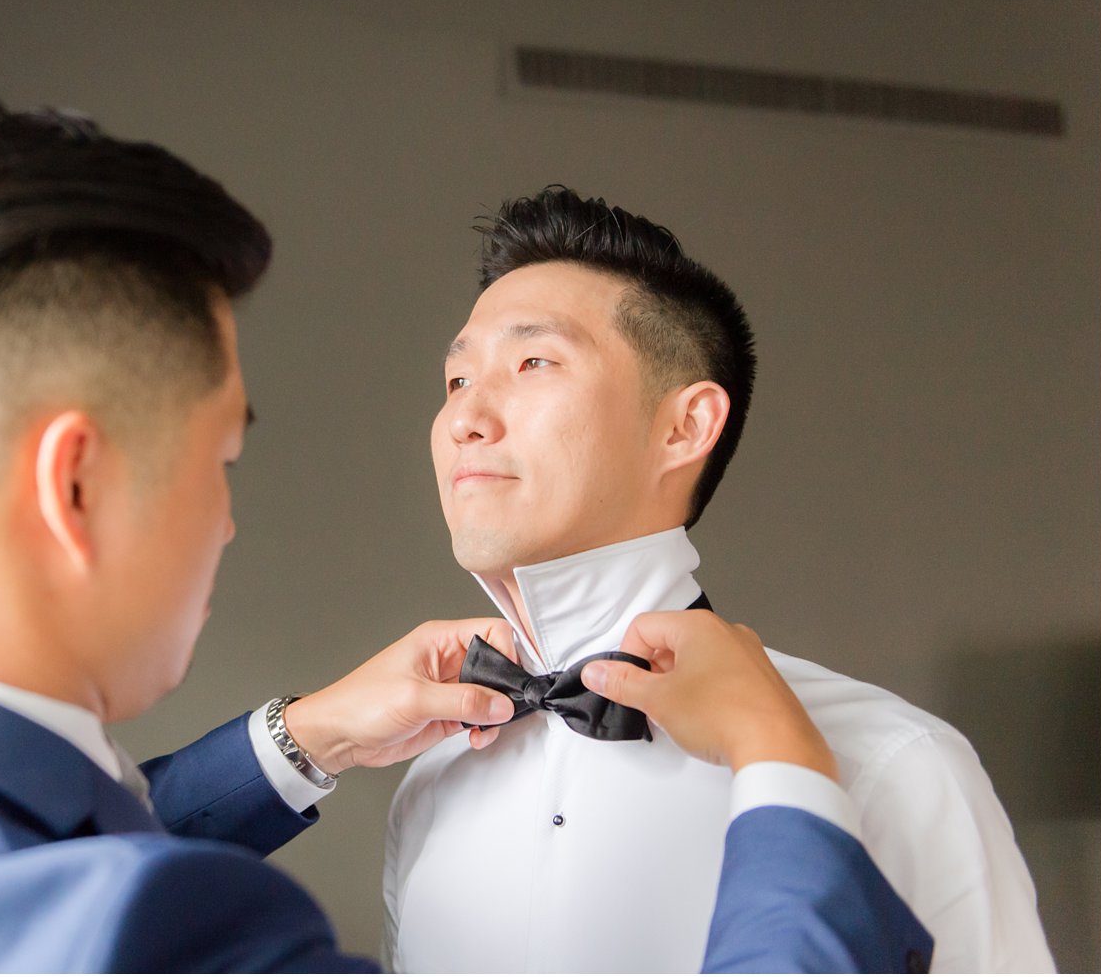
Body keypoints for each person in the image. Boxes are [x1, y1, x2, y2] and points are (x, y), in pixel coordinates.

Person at [0, 92, 927, 973]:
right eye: (222, 460)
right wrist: (783, 772)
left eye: (526, 367)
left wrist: (302, 737)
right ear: (73, 487)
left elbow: (27, 861)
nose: (228, 522)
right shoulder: (174, 934)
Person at [382, 188, 1056, 974]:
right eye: (457, 381)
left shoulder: (896, 764)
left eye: (534, 362)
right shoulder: (431, 782)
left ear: (686, 426)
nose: (466, 417)